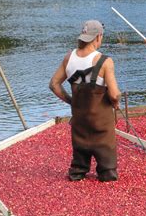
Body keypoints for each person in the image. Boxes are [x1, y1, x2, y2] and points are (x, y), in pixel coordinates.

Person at [49, 20, 121, 182]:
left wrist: (71, 101)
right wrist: (116, 102)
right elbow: (115, 94)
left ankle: (78, 171)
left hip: (79, 120)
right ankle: (105, 172)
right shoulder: (105, 61)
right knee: (107, 164)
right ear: (98, 37)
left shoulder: (69, 58)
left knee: (80, 149)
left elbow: (54, 85)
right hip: (101, 122)